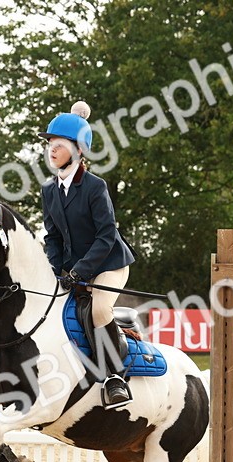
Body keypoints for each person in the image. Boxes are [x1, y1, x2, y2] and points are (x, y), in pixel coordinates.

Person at [40, 101, 136, 410]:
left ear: (78, 150)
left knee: (97, 311)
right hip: (73, 269)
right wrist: (55, 269)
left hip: (109, 263)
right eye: (49, 144)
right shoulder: (48, 190)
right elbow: (52, 237)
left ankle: (115, 378)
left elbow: (106, 236)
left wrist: (80, 272)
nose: (51, 150)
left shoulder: (96, 187)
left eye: (58, 144)